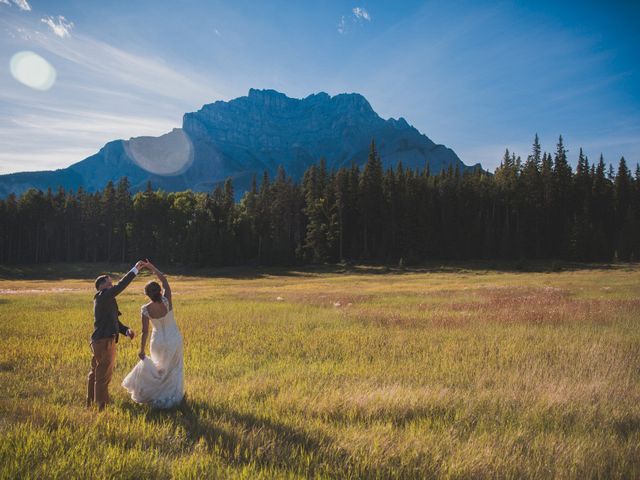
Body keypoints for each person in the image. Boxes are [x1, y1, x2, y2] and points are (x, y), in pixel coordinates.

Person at [122, 260, 184, 409]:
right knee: (174, 369)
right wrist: (151, 267)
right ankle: (173, 397)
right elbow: (164, 280)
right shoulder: (167, 300)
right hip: (173, 338)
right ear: (160, 291)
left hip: (157, 342)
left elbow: (144, 331)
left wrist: (142, 350)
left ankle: (156, 395)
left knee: (158, 370)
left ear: (147, 295)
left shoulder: (145, 309)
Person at [88, 260, 146, 410]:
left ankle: (91, 403)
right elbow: (121, 286)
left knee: (95, 373)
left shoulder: (105, 299)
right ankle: (101, 407)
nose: (111, 286)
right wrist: (135, 270)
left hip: (99, 340)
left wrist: (125, 330)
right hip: (105, 341)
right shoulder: (102, 296)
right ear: (101, 286)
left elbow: (113, 321)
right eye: (109, 283)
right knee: (103, 376)